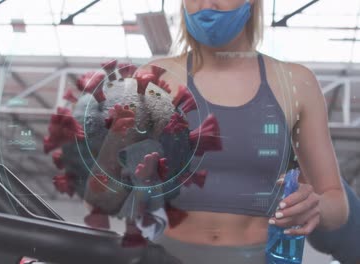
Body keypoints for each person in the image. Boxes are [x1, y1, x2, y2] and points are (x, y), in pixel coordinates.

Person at [138, 0, 350, 263]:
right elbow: (106, 189)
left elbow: (337, 206)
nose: (207, 4)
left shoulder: (296, 83)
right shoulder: (154, 78)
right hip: (165, 254)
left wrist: (314, 206)